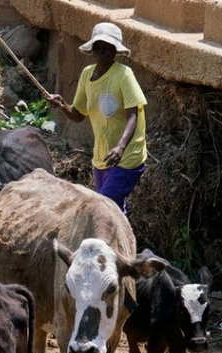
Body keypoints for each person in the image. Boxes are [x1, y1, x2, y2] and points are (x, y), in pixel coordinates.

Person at [48, 22, 147, 215]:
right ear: (92, 49)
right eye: (98, 47)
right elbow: (77, 115)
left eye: (107, 47)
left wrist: (120, 147)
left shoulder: (124, 75)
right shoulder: (87, 75)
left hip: (127, 156)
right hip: (102, 157)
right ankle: (122, 242)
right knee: (113, 209)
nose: (102, 51)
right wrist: (62, 105)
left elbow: (133, 114)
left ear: (115, 51)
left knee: (103, 207)